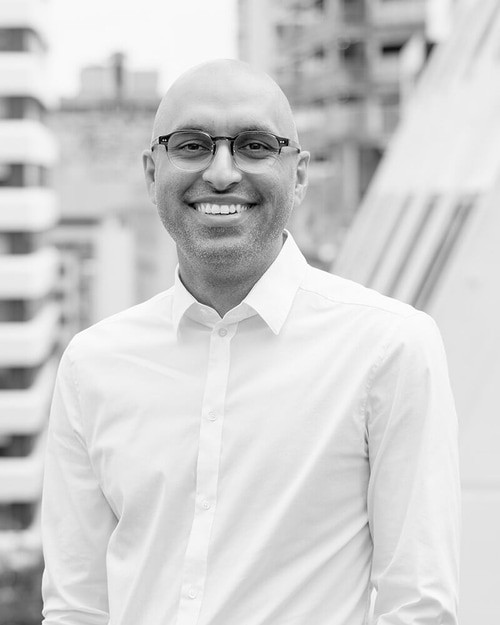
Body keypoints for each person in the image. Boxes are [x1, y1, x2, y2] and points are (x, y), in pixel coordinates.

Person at [41, 59, 460, 625]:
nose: (221, 172)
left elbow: (419, 607)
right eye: (190, 145)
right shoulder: (92, 364)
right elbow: (76, 607)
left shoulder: (389, 347)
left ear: (300, 174)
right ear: (150, 171)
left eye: (255, 146)